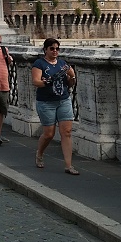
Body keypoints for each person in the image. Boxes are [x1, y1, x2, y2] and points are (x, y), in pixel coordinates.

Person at [32, 38, 79, 174]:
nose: (55, 51)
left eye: (57, 49)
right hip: (46, 102)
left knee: (67, 132)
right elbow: (36, 82)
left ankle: (68, 166)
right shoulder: (39, 63)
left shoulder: (63, 64)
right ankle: (39, 153)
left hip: (63, 100)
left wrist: (72, 78)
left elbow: (69, 83)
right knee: (49, 134)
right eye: (52, 48)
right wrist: (46, 82)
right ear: (45, 50)